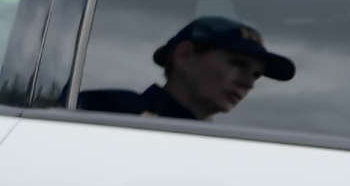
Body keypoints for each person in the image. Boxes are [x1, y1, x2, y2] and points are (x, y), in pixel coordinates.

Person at [76, 15, 294, 119]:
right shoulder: (104, 112)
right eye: (238, 64)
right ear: (184, 56)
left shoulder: (223, 153)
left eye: (256, 75)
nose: (248, 83)